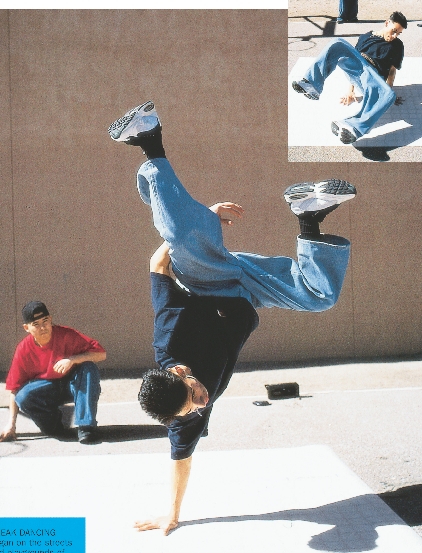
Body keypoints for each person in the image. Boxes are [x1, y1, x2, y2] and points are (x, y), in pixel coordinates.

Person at [107, 101, 357, 534]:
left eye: (196, 393)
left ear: (181, 372)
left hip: (208, 279)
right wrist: (173, 515)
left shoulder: (169, 340)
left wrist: (204, 219)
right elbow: (180, 461)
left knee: (183, 236)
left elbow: (156, 264)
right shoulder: (184, 413)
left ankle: (149, 138)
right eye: (195, 406)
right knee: (318, 297)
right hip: (249, 295)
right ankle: (310, 215)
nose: (203, 401)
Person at [292, 11, 407, 144]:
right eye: (393, 31)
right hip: (359, 68)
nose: (394, 36)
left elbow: (392, 72)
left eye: (398, 33)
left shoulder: (398, 46)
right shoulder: (365, 37)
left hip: (374, 78)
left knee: (390, 95)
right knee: (337, 42)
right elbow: (352, 59)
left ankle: (354, 127)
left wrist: (386, 91)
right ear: (387, 23)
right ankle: (312, 84)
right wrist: (350, 91)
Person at [0, 301, 105, 444]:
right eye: (36, 324)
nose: (43, 327)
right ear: (26, 328)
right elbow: (14, 389)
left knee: (88, 368)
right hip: (47, 390)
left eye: (45, 321)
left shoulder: (67, 335)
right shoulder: (23, 350)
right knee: (23, 396)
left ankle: (86, 427)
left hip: (73, 385)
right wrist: (11, 425)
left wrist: (72, 360)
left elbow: (101, 354)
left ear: (50, 319)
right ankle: (54, 426)